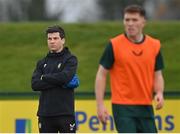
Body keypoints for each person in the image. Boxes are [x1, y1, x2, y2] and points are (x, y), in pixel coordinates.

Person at [95, 5, 164, 133]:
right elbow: (101, 74)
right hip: (122, 106)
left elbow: (158, 74)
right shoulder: (114, 45)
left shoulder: (155, 45)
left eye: (134, 20)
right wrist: (100, 105)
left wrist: (159, 92)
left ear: (143, 22)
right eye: (127, 20)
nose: (130, 24)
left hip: (146, 105)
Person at [31, 25, 78, 133]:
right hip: (45, 114)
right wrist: (58, 81)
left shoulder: (70, 59)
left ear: (63, 40)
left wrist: (45, 77)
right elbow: (35, 84)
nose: (52, 41)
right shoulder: (42, 62)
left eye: (55, 38)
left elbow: (65, 77)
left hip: (65, 113)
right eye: (49, 39)